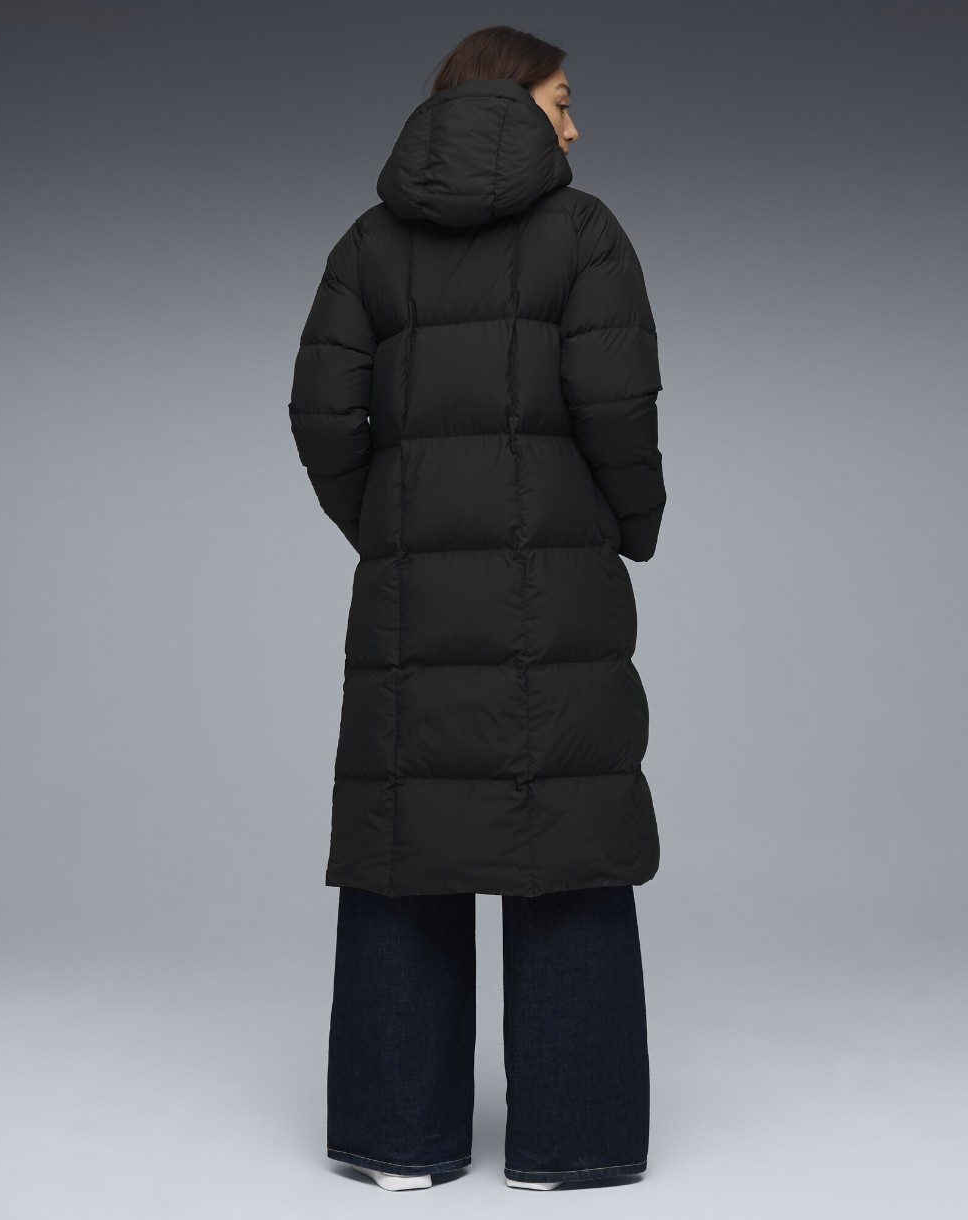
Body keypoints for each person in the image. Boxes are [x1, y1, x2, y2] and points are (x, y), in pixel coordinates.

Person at [288, 24, 666, 1191]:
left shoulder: (368, 242)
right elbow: (617, 406)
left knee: (407, 836)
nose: (574, 125)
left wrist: (387, 523)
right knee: (566, 829)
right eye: (561, 100)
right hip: (555, 588)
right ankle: (571, 1145)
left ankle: (396, 1141)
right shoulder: (584, 233)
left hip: (409, 602)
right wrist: (629, 522)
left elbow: (319, 415)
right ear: (511, 102)